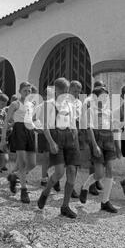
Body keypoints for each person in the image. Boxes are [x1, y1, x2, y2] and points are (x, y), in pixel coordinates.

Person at [37, 78, 80, 219]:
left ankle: (65, 206)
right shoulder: (48, 105)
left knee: (72, 171)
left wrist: (75, 136)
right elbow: (45, 126)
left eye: (67, 91)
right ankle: (46, 191)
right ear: (56, 90)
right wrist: (51, 143)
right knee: (60, 172)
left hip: (71, 138)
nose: (65, 94)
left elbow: (73, 122)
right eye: (62, 91)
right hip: (56, 138)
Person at [79, 85, 122, 213]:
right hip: (97, 140)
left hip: (108, 140)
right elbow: (89, 128)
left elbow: (114, 129)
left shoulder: (108, 112)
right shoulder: (90, 110)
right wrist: (95, 145)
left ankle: (105, 202)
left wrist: (118, 146)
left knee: (110, 169)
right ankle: (85, 186)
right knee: (99, 174)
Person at [0, 82, 36, 204]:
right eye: (25, 90)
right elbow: (6, 122)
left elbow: (31, 120)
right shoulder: (15, 104)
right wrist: (3, 139)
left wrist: (37, 128)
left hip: (30, 132)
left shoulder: (31, 105)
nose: (27, 93)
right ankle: (23, 191)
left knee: (32, 163)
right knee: (22, 162)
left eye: (29, 91)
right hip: (19, 130)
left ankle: (13, 175)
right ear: (20, 91)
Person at [80, 80, 106, 196]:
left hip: (100, 131)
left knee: (99, 158)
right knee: (93, 159)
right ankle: (91, 186)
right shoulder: (88, 100)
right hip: (90, 131)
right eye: (100, 88)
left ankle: (96, 181)